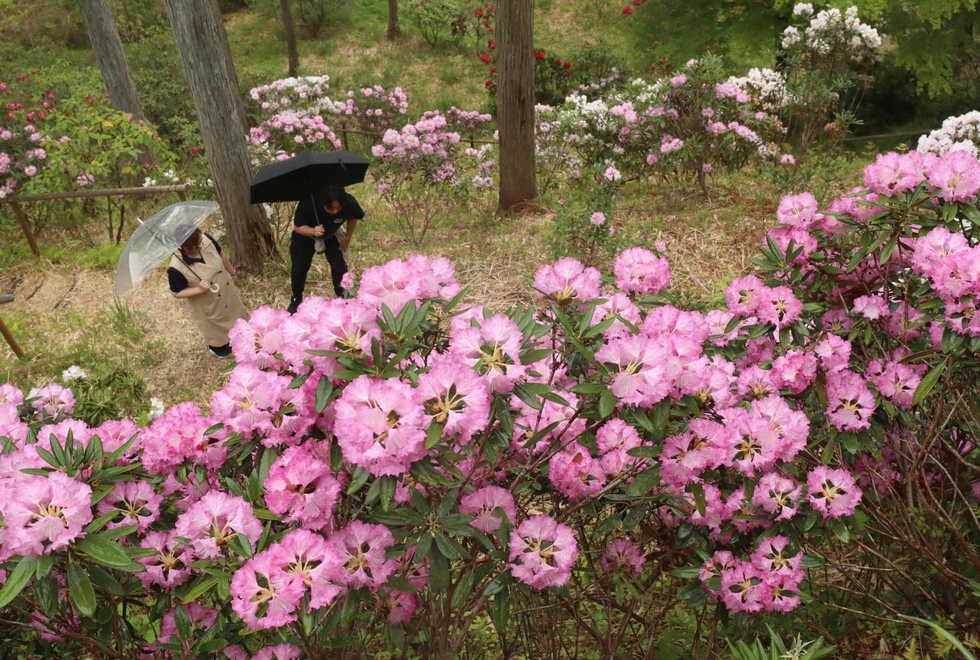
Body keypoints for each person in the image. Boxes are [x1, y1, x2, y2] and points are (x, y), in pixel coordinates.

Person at [168, 228, 248, 359]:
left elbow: (221, 254)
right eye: (199, 243)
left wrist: (232, 272)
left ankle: (241, 334)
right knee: (216, 329)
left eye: (201, 239)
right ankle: (218, 347)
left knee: (236, 315)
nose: (203, 242)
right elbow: (176, 293)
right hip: (208, 302)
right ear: (187, 248)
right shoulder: (176, 268)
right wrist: (198, 289)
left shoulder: (206, 239)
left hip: (226, 289)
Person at [288, 185, 365, 314]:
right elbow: (298, 227)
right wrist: (313, 231)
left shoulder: (349, 202)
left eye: (338, 208)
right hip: (305, 235)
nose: (335, 211)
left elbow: (353, 216)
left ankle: (344, 295)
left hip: (332, 233)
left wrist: (347, 237)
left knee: (339, 265)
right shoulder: (308, 202)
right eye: (330, 208)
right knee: (299, 268)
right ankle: (296, 299)